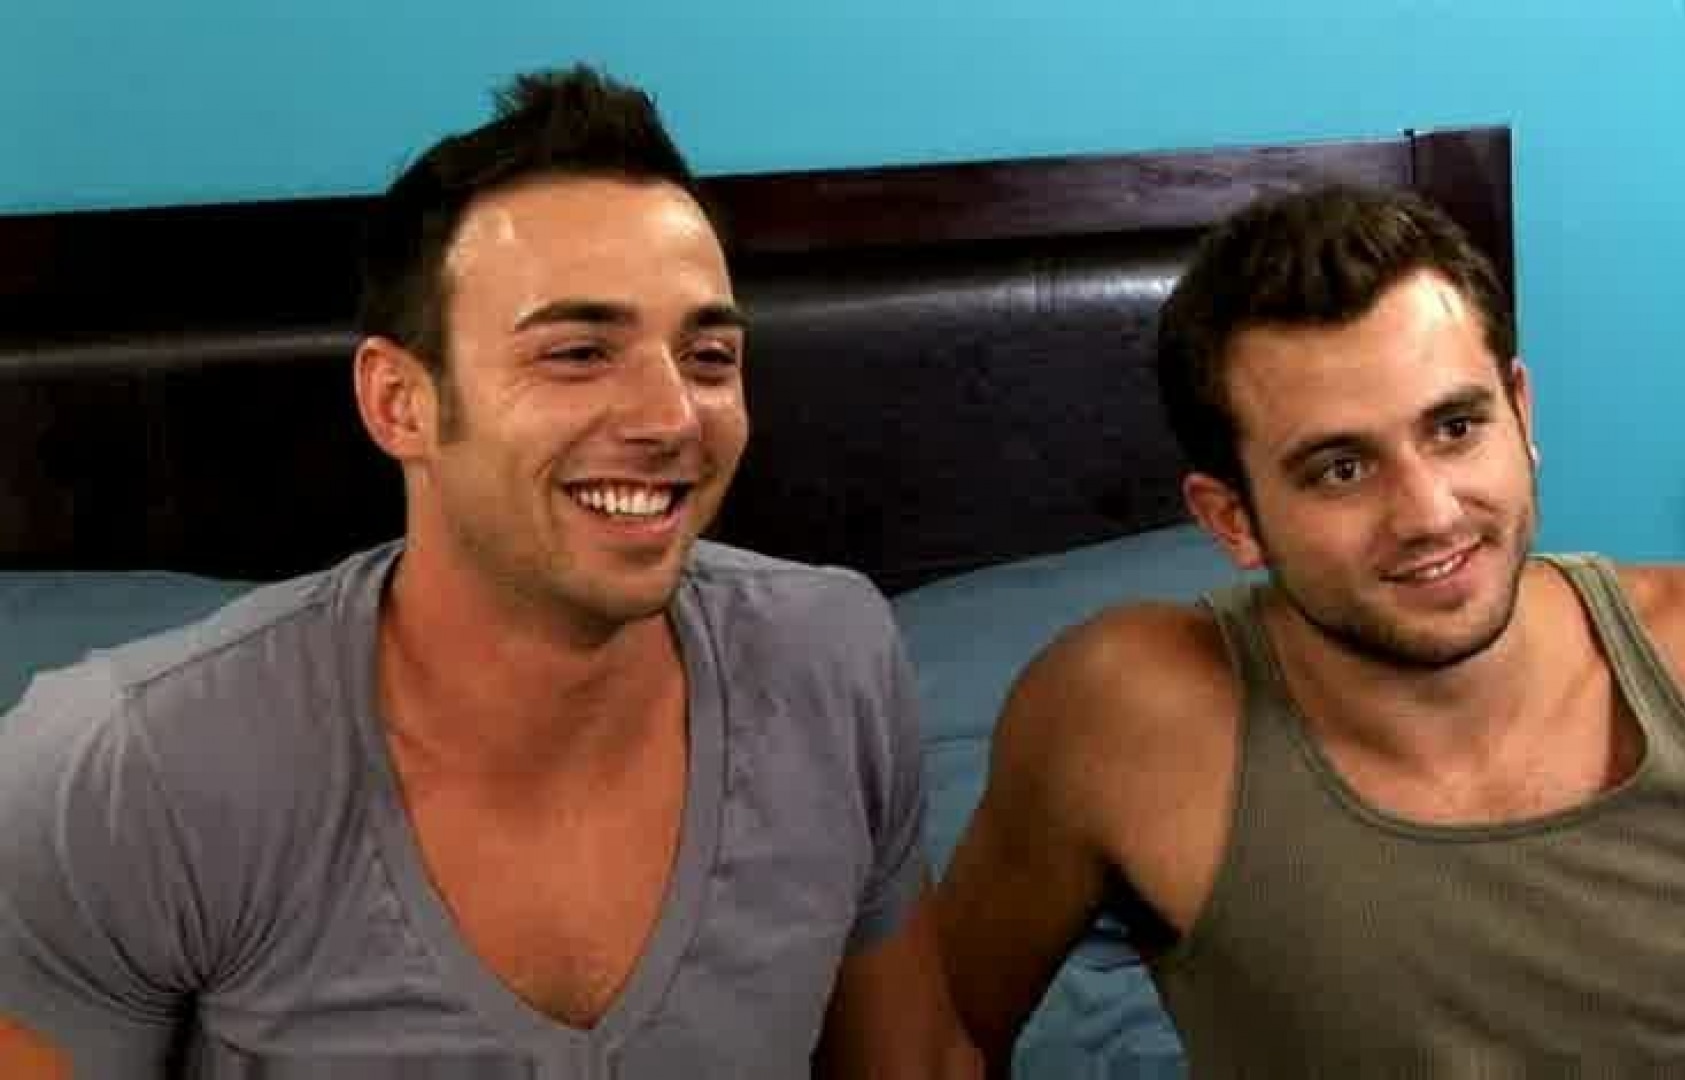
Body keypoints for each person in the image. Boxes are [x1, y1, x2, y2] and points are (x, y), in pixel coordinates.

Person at [0, 65, 979, 1080]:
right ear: (400, 403)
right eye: (578, 353)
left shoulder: (834, 663)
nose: (671, 418)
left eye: (709, 358)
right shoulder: (132, 773)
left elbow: (916, 1065)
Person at [932, 183, 1685, 1077]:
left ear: (1520, 411)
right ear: (1231, 519)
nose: (1431, 513)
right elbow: (936, 1050)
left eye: (1455, 427)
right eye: (1340, 469)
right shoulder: (1123, 716)